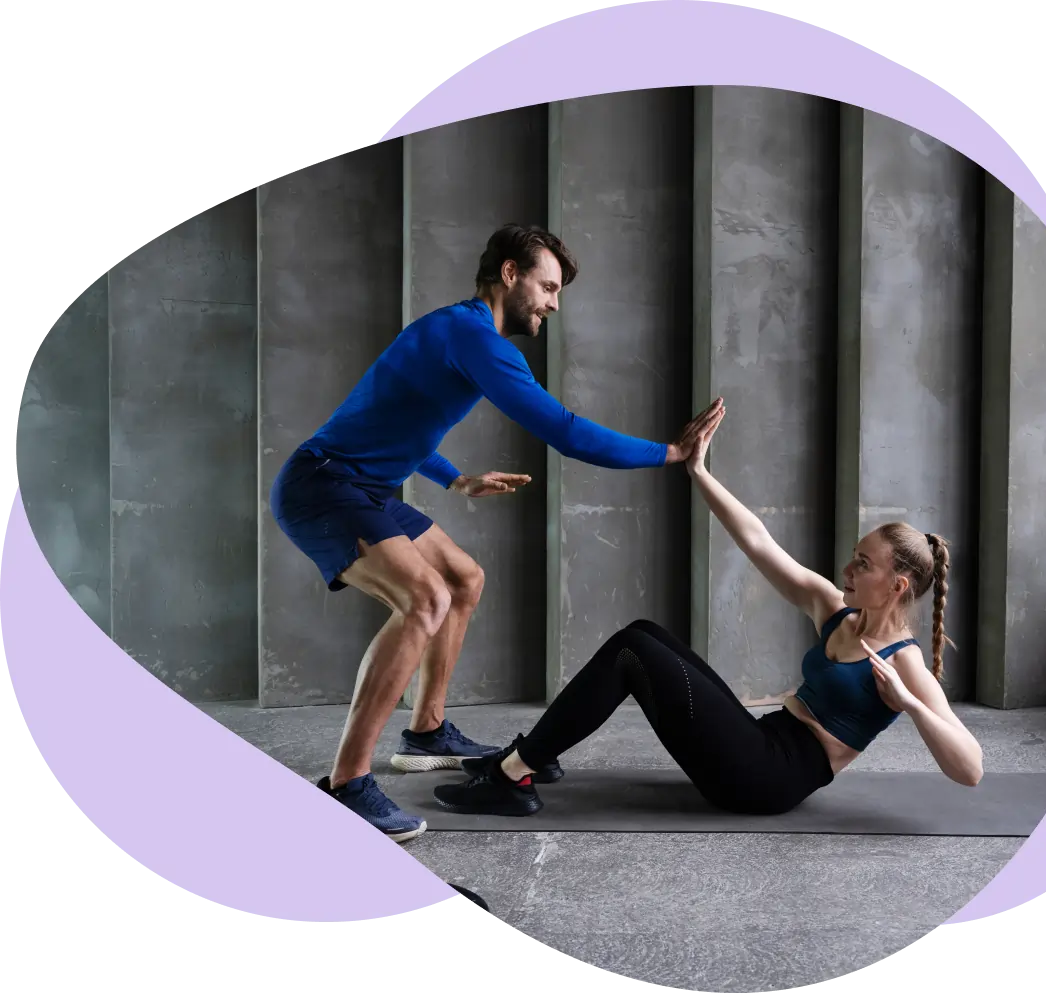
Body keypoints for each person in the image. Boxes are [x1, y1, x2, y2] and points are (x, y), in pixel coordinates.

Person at [270, 223, 724, 842]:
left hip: (359, 487)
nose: (553, 304)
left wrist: (456, 479)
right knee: (424, 598)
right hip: (323, 486)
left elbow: (397, 420)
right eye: (547, 286)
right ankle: (347, 785)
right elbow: (563, 430)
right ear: (510, 275)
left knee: (462, 578)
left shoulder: (454, 331)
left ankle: (426, 733)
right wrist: (671, 453)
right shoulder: (476, 338)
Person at [441, 401, 985, 818]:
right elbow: (759, 541)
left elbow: (971, 770)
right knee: (643, 631)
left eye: (863, 564)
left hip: (768, 780)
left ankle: (514, 773)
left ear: (897, 584)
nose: (848, 569)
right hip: (763, 742)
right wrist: (699, 472)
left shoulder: (903, 662)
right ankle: (538, 753)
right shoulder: (835, 610)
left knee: (634, 652)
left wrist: (912, 704)